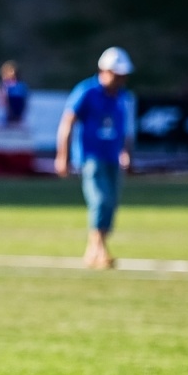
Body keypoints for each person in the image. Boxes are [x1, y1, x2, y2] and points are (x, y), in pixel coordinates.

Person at [55, 47, 135, 270]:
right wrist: (63, 156)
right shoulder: (86, 91)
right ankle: (100, 250)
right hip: (91, 157)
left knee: (111, 204)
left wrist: (126, 152)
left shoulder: (122, 96)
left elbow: (124, 129)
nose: (121, 79)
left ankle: (93, 250)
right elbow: (67, 122)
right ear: (105, 70)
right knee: (99, 200)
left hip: (112, 157)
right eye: (117, 74)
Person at [0, 61, 29, 127]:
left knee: (15, 119)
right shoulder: (3, 85)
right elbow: (0, 100)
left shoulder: (21, 85)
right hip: (7, 110)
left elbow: (24, 101)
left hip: (17, 108)